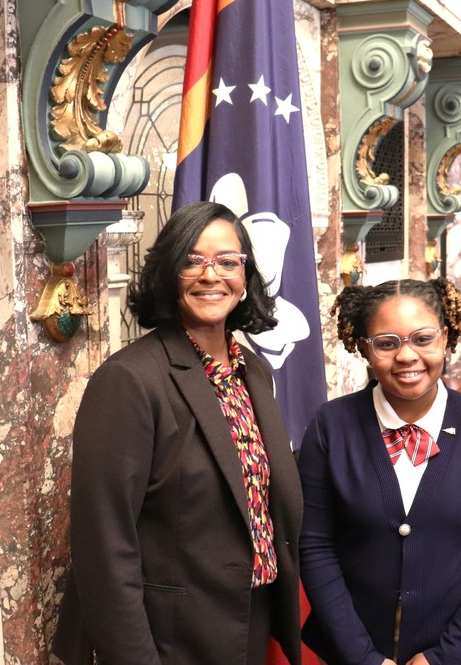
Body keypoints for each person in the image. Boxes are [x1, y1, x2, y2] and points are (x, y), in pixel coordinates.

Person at [51, 201, 303, 664]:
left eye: (228, 261)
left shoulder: (255, 373)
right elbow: (104, 545)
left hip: (249, 625)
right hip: (169, 642)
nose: (212, 275)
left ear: (245, 278)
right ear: (169, 273)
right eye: (193, 261)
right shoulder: (129, 380)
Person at [299, 279, 461, 665]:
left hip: (460, 651)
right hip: (349, 650)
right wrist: (362, 657)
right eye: (387, 343)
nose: (406, 356)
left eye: (423, 338)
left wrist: (445, 657)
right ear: (365, 349)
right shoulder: (330, 426)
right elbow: (315, 546)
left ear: (446, 338)